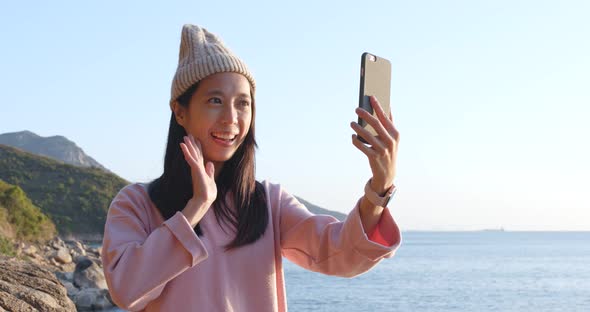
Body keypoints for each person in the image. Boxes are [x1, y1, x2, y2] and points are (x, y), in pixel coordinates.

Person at [101, 24, 402, 312]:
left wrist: (379, 188)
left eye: (243, 103)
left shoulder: (269, 203)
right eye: (215, 100)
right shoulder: (136, 203)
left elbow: (340, 254)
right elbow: (127, 291)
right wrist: (196, 207)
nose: (231, 118)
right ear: (180, 111)